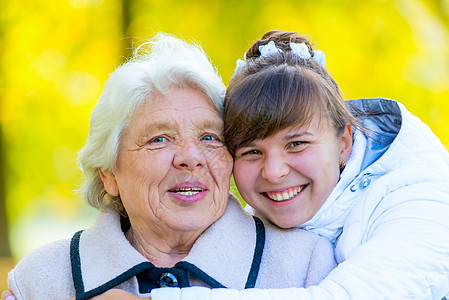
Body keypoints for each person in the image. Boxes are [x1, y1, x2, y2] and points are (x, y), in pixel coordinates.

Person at [2, 33, 335, 300]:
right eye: (159, 139)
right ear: (109, 174)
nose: (190, 157)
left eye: (209, 138)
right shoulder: (40, 281)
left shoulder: (308, 263)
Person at [146, 31, 449, 299]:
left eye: (296, 144)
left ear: (344, 142)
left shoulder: (421, 198)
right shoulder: (248, 224)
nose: (274, 172)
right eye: (252, 152)